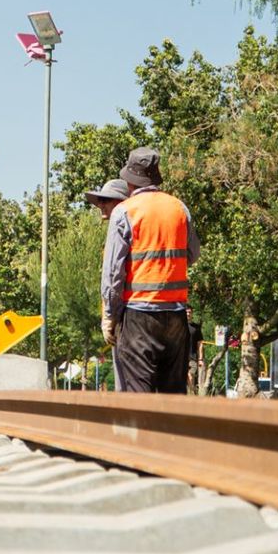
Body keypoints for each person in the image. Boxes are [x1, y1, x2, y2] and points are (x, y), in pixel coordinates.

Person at [100, 146, 199, 394]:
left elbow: (113, 273)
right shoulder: (180, 208)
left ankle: (143, 434)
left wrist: (110, 316)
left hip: (139, 315)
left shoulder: (125, 211)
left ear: (129, 181)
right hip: (176, 314)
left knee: (138, 397)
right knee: (172, 397)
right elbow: (193, 254)